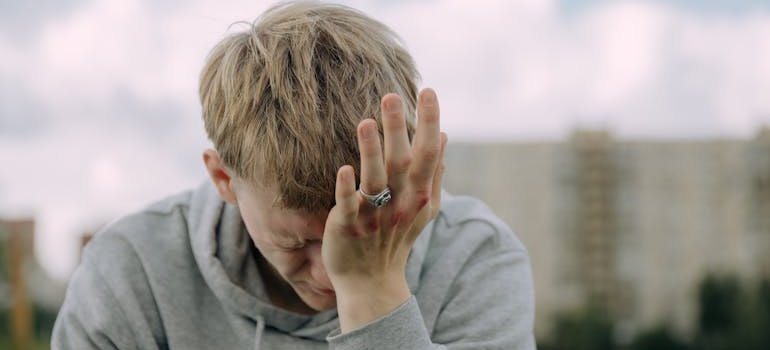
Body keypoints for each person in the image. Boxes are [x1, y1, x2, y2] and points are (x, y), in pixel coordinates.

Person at [52, 1, 536, 349]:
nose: (332, 272)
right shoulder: (130, 273)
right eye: (297, 241)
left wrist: (373, 293)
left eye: (370, 222)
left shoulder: (475, 256)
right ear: (223, 178)